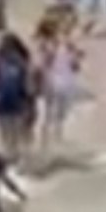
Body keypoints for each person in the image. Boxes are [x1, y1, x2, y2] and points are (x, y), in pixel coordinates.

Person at [0, 32, 36, 161]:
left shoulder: (21, 65)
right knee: (9, 137)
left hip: (13, 105)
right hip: (4, 104)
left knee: (13, 137)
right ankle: (13, 162)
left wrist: (30, 106)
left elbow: (28, 87)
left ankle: (17, 162)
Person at [36, 19, 82, 147]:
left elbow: (43, 66)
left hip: (54, 84)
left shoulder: (52, 47)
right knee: (57, 116)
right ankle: (55, 140)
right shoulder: (61, 47)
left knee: (49, 116)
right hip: (62, 85)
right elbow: (75, 67)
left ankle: (47, 142)